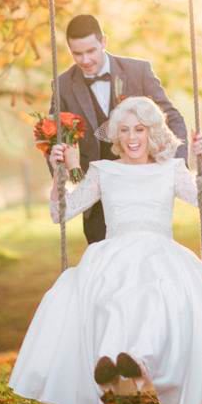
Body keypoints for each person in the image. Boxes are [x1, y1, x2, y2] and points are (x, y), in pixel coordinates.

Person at [9, 96, 202, 404]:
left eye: (140, 129)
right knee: (112, 294)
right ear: (116, 136)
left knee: (161, 291)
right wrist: (58, 174)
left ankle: (133, 360)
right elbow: (60, 213)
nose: (133, 137)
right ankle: (113, 361)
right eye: (124, 130)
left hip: (160, 249)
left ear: (153, 133)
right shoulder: (103, 171)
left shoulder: (171, 169)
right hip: (113, 252)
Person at [49, 14, 187, 245]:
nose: (85, 60)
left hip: (143, 186)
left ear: (104, 41)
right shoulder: (63, 86)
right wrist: (70, 176)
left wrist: (176, 164)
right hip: (97, 196)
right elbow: (55, 138)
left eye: (91, 51)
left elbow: (171, 117)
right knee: (106, 267)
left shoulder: (137, 71)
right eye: (77, 53)